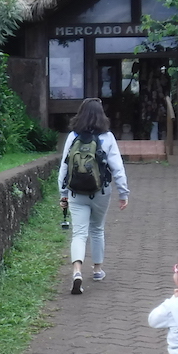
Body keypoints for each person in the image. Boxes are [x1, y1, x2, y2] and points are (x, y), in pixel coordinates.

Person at [57, 98, 129, 295]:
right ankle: (97, 270)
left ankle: (77, 271)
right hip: (100, 191)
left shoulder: (73, 136)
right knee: (97, 229)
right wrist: (123, 193)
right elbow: (117, 168)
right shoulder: (107, 138)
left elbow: (64, 167)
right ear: (101, 115)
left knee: (79, 233)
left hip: (75, 191)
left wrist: (63, 193)